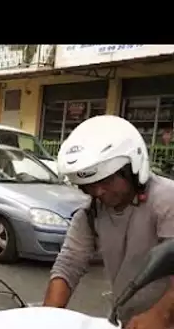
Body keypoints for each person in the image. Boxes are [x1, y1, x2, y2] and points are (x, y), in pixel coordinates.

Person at [42, 115, 174, 329]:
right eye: (89, 186)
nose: (98, 191)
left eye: (106, 180)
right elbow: (69, 264)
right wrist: (46, 319)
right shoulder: (92, 212)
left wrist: (162, 315)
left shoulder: (166, 201)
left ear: (132, 168)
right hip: (125, 319)